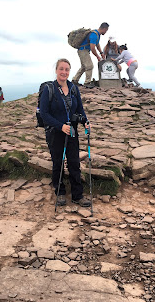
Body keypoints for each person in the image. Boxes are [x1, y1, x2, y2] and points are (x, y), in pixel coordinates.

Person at [40, 58, 91, 207]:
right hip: (55, 132)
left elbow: (79, 109)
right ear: (56, 70)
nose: (64, 72)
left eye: (67, 69)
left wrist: (85, 122)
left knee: (74, 162)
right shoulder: (49, 89)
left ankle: (77, 195)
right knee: (58, 163)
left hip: (72, 131)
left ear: (69, 72)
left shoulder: (74, 89)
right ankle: (60, 192)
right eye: (61, 69)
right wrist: (60, 126)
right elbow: (44, 113)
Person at [72, 22, 109, 88]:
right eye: (106, 30)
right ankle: (87, 83)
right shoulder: (94, 35)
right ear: (104, 28)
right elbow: (92, 48)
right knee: (89, 66)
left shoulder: (97, 34)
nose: (106, 32)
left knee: (84, 66)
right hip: (83, 50)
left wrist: (101, 53)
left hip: (83, 50)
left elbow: (97, 45)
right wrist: (98, 56)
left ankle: (74, 80)